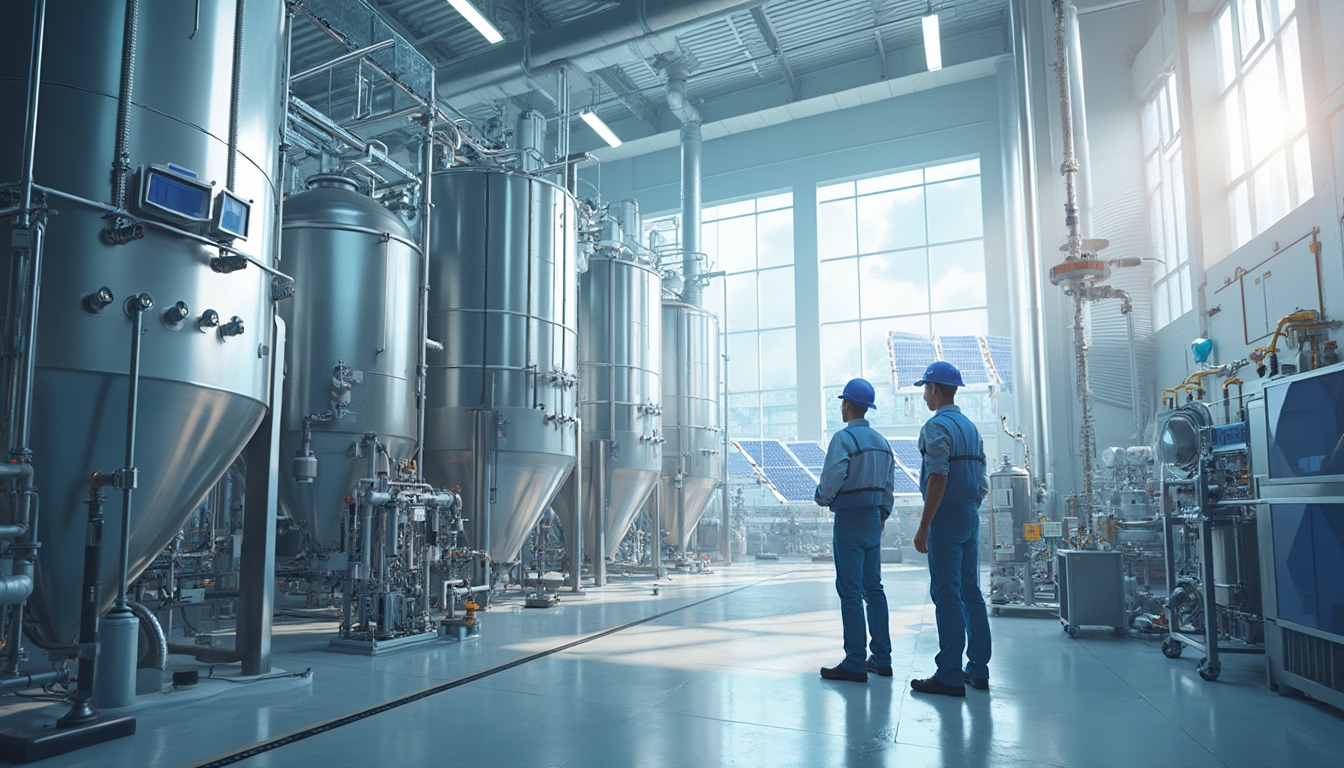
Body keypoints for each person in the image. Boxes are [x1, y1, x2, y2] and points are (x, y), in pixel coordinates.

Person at [909, 361, 991, 697]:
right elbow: (982, 480)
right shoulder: (971, 428)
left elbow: (938, 475)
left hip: (946, 516)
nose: (925, 396)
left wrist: (925, 524)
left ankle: (949, 674)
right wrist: (970, 507)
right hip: (971, 512)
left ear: (933, 389)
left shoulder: (936, 427)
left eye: (925, 389)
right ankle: (978, 669)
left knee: (947, 595)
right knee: (970, 592)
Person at [814, 378, 896, 683]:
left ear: (847, 404)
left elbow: (834, 476)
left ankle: (855, 661)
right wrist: (882, 513)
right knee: (874, 589)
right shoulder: (882, 443)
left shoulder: (843, 440)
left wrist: (821, 497)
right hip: (874, 518)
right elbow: (889, 486)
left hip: (849, 518)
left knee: (849, 592)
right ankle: (883, 658)